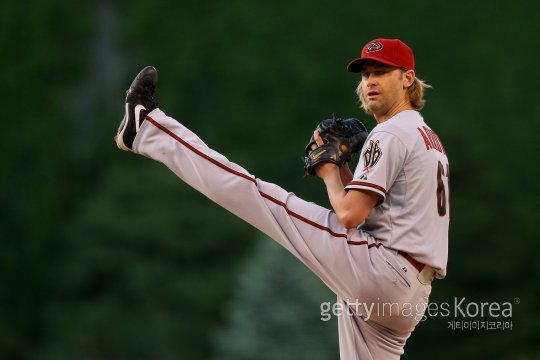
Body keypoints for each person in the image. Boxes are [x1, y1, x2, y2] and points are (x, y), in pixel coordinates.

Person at [115, 38, 450, 359]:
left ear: (407, 79)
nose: (370, 81)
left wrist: (329, 169)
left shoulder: (391, 133)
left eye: (382, 72)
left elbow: (349, 215)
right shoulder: (425, 135)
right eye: (366, 74)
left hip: (382, 272)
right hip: (410, 294)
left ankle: (147, 128)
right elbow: (376, 213)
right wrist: (341, 168)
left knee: (255, 194)